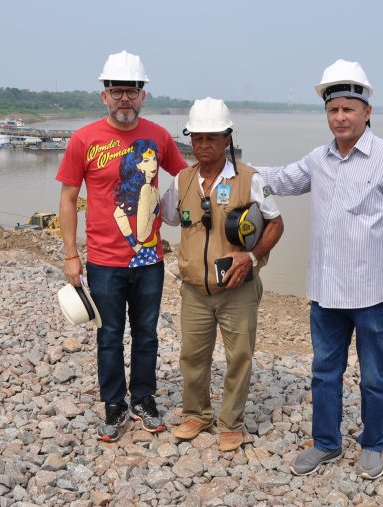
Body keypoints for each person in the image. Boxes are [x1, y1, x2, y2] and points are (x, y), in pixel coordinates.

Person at [253, 60, 383, 478]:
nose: (340, 117)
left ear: (367, 112)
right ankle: (327, 443)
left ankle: (373, 443)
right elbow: (281, 179)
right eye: (333, 110)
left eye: (349, 109)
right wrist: (234, 168)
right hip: (326, 294)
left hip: (373, 296)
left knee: (373, 377)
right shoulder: (319, 159)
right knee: (324, 373)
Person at [56, 50, 188, 442]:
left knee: (146, 333)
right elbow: (67, 199)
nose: (124, 99)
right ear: (104, 96)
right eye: (117, 92)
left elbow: (186, 179)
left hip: (149, 259)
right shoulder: (84, 140)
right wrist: (70, 254)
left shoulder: (159, 136)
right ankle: (115, 406)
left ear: (143, 95)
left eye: (132, 91)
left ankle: (144, 399)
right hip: (104, 261)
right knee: (110, 335)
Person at [160, 97, 284, 452]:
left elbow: (276, 223)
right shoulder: (183, 180)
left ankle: (231, 422)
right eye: (197, 138)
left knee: (239, 356)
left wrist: (252, 255)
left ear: (227, 138)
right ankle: (197, 413)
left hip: (237, 290)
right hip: (194, 290)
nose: (203, 146)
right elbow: (166, 216)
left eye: (211, 138)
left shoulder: (250, 179)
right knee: (192, 356)